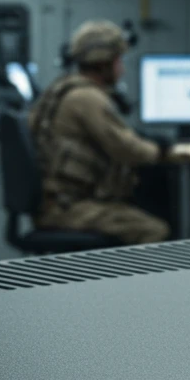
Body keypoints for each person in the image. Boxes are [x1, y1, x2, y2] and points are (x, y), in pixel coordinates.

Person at [29, 20, 170, 245]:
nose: (122, 69)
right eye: (118, 61)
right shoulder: (88, 98)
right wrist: (159, 150)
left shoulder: (60, 90)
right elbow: (127, 149)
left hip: (56, 203)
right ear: (105, 64)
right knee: (154, 230)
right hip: (71, 208)